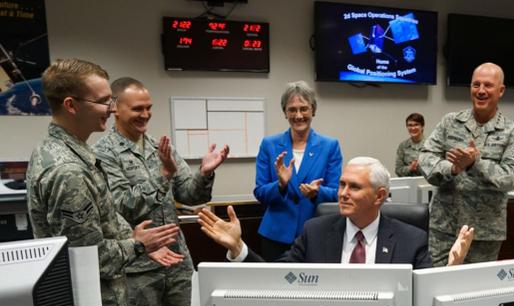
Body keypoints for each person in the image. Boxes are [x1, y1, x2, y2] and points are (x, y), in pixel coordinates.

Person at [26, 59, 182, 306]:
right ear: (71, 104)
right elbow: (89, 258)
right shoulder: (68, 171)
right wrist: (139, 245)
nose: (111, 109)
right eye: (103, 101)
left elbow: (105, 219)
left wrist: (136, 237)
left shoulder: (68, 151)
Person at [93, 77, 229, 306]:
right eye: (137, 108)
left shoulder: (159, 146)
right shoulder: (104, 154)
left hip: (177, 259)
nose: (145, 114)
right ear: (115, 108)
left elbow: (191, 195)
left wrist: (205, 173)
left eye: (149, 107)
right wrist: (163, 177)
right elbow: (123, 206)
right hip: (137, 266)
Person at [199, 157, 474, 268]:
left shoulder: (410, 238)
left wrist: (452, 269)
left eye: (354, 187)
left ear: (380, 196)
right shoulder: (315, 232)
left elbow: (425, 295)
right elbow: (276, 278)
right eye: (341, 185)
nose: (342, 193)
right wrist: (239, 249)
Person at [419, 62, 514, 266]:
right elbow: (426, 158)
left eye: (488, 85)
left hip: (484, 234)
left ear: (501, 90)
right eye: (476, 85)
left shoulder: (511, 132)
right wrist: (452, 168)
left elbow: (513, 176)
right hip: (444, 228)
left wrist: (475, 164)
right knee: (435, 286)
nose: (481, 91)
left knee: (474, 292)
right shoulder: (450, 122)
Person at [254, 80, 342, 260]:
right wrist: (280, 185)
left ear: (313, 110)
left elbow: (337, 193)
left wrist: (317, 192)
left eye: (304, 108)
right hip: (275, 236)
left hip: (316, 234)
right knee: (275, 286)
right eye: (292, 109)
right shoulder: (269, 145)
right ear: (285, 112)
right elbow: (260, 192)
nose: (298, 115)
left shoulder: (330, 146)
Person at [395, 112, 426, 177]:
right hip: (409, 184)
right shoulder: (403, 146)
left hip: (427, 183)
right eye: (410, 125)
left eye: (416, 124)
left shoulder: (431, 145)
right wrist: (410, 168)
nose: (413, 128)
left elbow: (436, 169)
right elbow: (398, 170)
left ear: (422, 126)